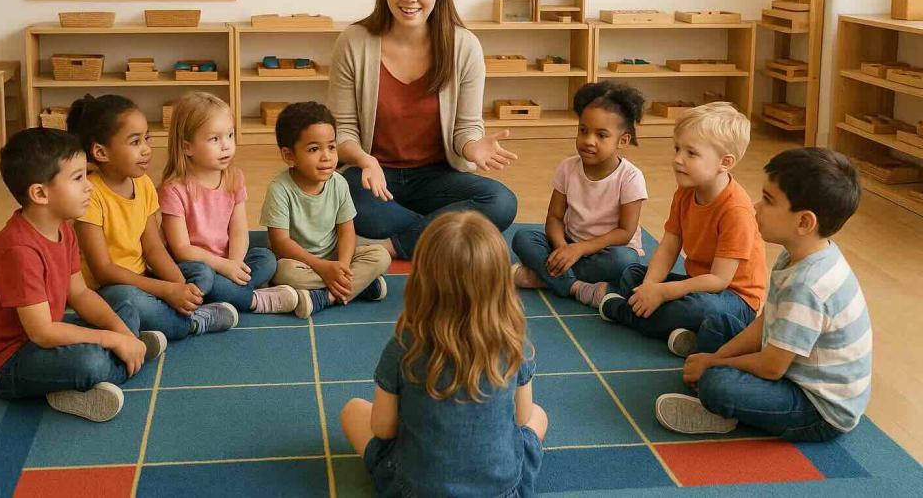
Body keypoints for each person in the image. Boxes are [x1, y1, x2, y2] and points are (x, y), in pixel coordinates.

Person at [655, 148, 869, 442]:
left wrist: (714, 363)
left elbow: (771, 367)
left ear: (804, 222)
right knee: (718, 324)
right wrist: (715, 356)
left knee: (717, 385)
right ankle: (715, 375)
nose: (756, 207)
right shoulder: (798, 254)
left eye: (768, 200)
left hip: (817, 409)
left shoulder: (807, 287)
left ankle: (721, 410)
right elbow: (766, 321)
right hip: (789, 365)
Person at [328, 0, 518, 260]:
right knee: (346, 200)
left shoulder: (464, 46)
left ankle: (394, 246)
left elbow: (466, 128)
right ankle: (451, 235)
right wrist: (365, 160)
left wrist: (472, 147)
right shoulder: (353, 42)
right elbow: (342, 131)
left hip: (437, 177)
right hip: (373, 177)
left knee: (501, 202)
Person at [0, 128, 165, 422]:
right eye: (78, 178)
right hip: (4, 363)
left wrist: (119, 332)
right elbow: (42, 333)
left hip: (42, 339)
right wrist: (112, 339)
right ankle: (115, 361)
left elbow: (80, 294)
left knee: (125, 309)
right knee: (91, 362)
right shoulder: (19, 251)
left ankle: (124, 351)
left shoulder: (63, 229)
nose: (89, 186)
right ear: (40, 193)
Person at [340, 211, 547, 496]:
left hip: (414, 491)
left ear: (423, 279)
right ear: (499, 282)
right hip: (502, 491)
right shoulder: (512, 341)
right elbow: (522, 419)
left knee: (352, 410)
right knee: (539, 415)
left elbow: (383, 429)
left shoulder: (405, 344)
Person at [591, 103, 767, 358]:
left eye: (691, 153)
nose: (677, 159)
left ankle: (624, 312)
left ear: (725, 162)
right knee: (633, 275)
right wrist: (650, 286)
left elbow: (719, 280)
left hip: (734, 299)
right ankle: (684, 333)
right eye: (677, 149)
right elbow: (668, 247)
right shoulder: (685, 191)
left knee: (699, 310)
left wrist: (662, 292)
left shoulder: (736, 210)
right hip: (697, 285)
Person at [69, 94, 238, 340]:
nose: (147, 149)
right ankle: (189, 322)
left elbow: (154, 248)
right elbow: (103, 271)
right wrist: (166, 290)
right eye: (135, 141)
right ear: (101, 152)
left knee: (200, 273)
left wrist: (180, 286)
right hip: (106, 289)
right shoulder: (89, 194)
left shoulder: (144, 184)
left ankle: (165, 317)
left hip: (144, 278)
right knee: (130, 299)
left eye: (146, 138)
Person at [160, 92, 297, 315]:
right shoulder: (173, 189)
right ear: (187, 147)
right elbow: (182, 250)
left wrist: (234, 264)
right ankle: (254, 301)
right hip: (195, 266)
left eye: (230, 135)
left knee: (267, 258)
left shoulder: (234, 177)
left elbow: (239, 230)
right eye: (214, 139)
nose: (226, 146)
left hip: (227, 261)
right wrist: (223, 266)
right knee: (205, 278)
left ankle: (225, 295)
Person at [512, 82, 647, 304]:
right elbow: (555, 218)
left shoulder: (631, 177)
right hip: (568, 242)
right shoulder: (567, 167)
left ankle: (543, 278)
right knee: (523, 238)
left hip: (607, 251)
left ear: (622, 140)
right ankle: (575, 287)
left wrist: (578, 250)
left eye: (601, 135)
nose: (588, 141)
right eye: (583, 131)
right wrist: (562, 248)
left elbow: (625, 232)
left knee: (625, 261)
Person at [261, 102, 392, 318]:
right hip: (301, 262)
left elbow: (346, 231)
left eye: (331, 147)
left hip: (335, 258)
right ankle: (360, 286)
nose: (327, 157)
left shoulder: (339, 183)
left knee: (380, 256)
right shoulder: (280, 189)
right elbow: (280, 243)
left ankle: (324, 297)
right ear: (289, 155)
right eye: (314, 149)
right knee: (282, 273)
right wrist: (321, 267)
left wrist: (342, 265)